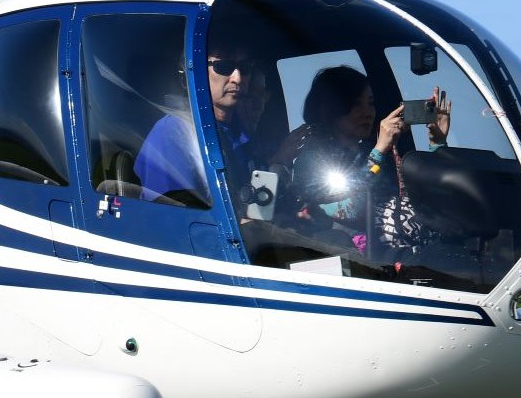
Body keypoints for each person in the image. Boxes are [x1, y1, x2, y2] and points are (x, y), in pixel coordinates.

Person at [268, 65, 420, 263]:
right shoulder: (313, 160)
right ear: (329, 110)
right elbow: (351, 208)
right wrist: (380, 149)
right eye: (356, 104)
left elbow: (411, 196)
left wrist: (438, 142)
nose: (367, 113)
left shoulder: (371, 153)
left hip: (394, 255)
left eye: (371, 104)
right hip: (349, 260)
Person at [133, 35, 268, 207]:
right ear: (193, 72)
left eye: (245, 68)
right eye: (224, 66)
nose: (238, 78)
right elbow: (178, 220)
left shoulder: (242, 135)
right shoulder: (173, 132)